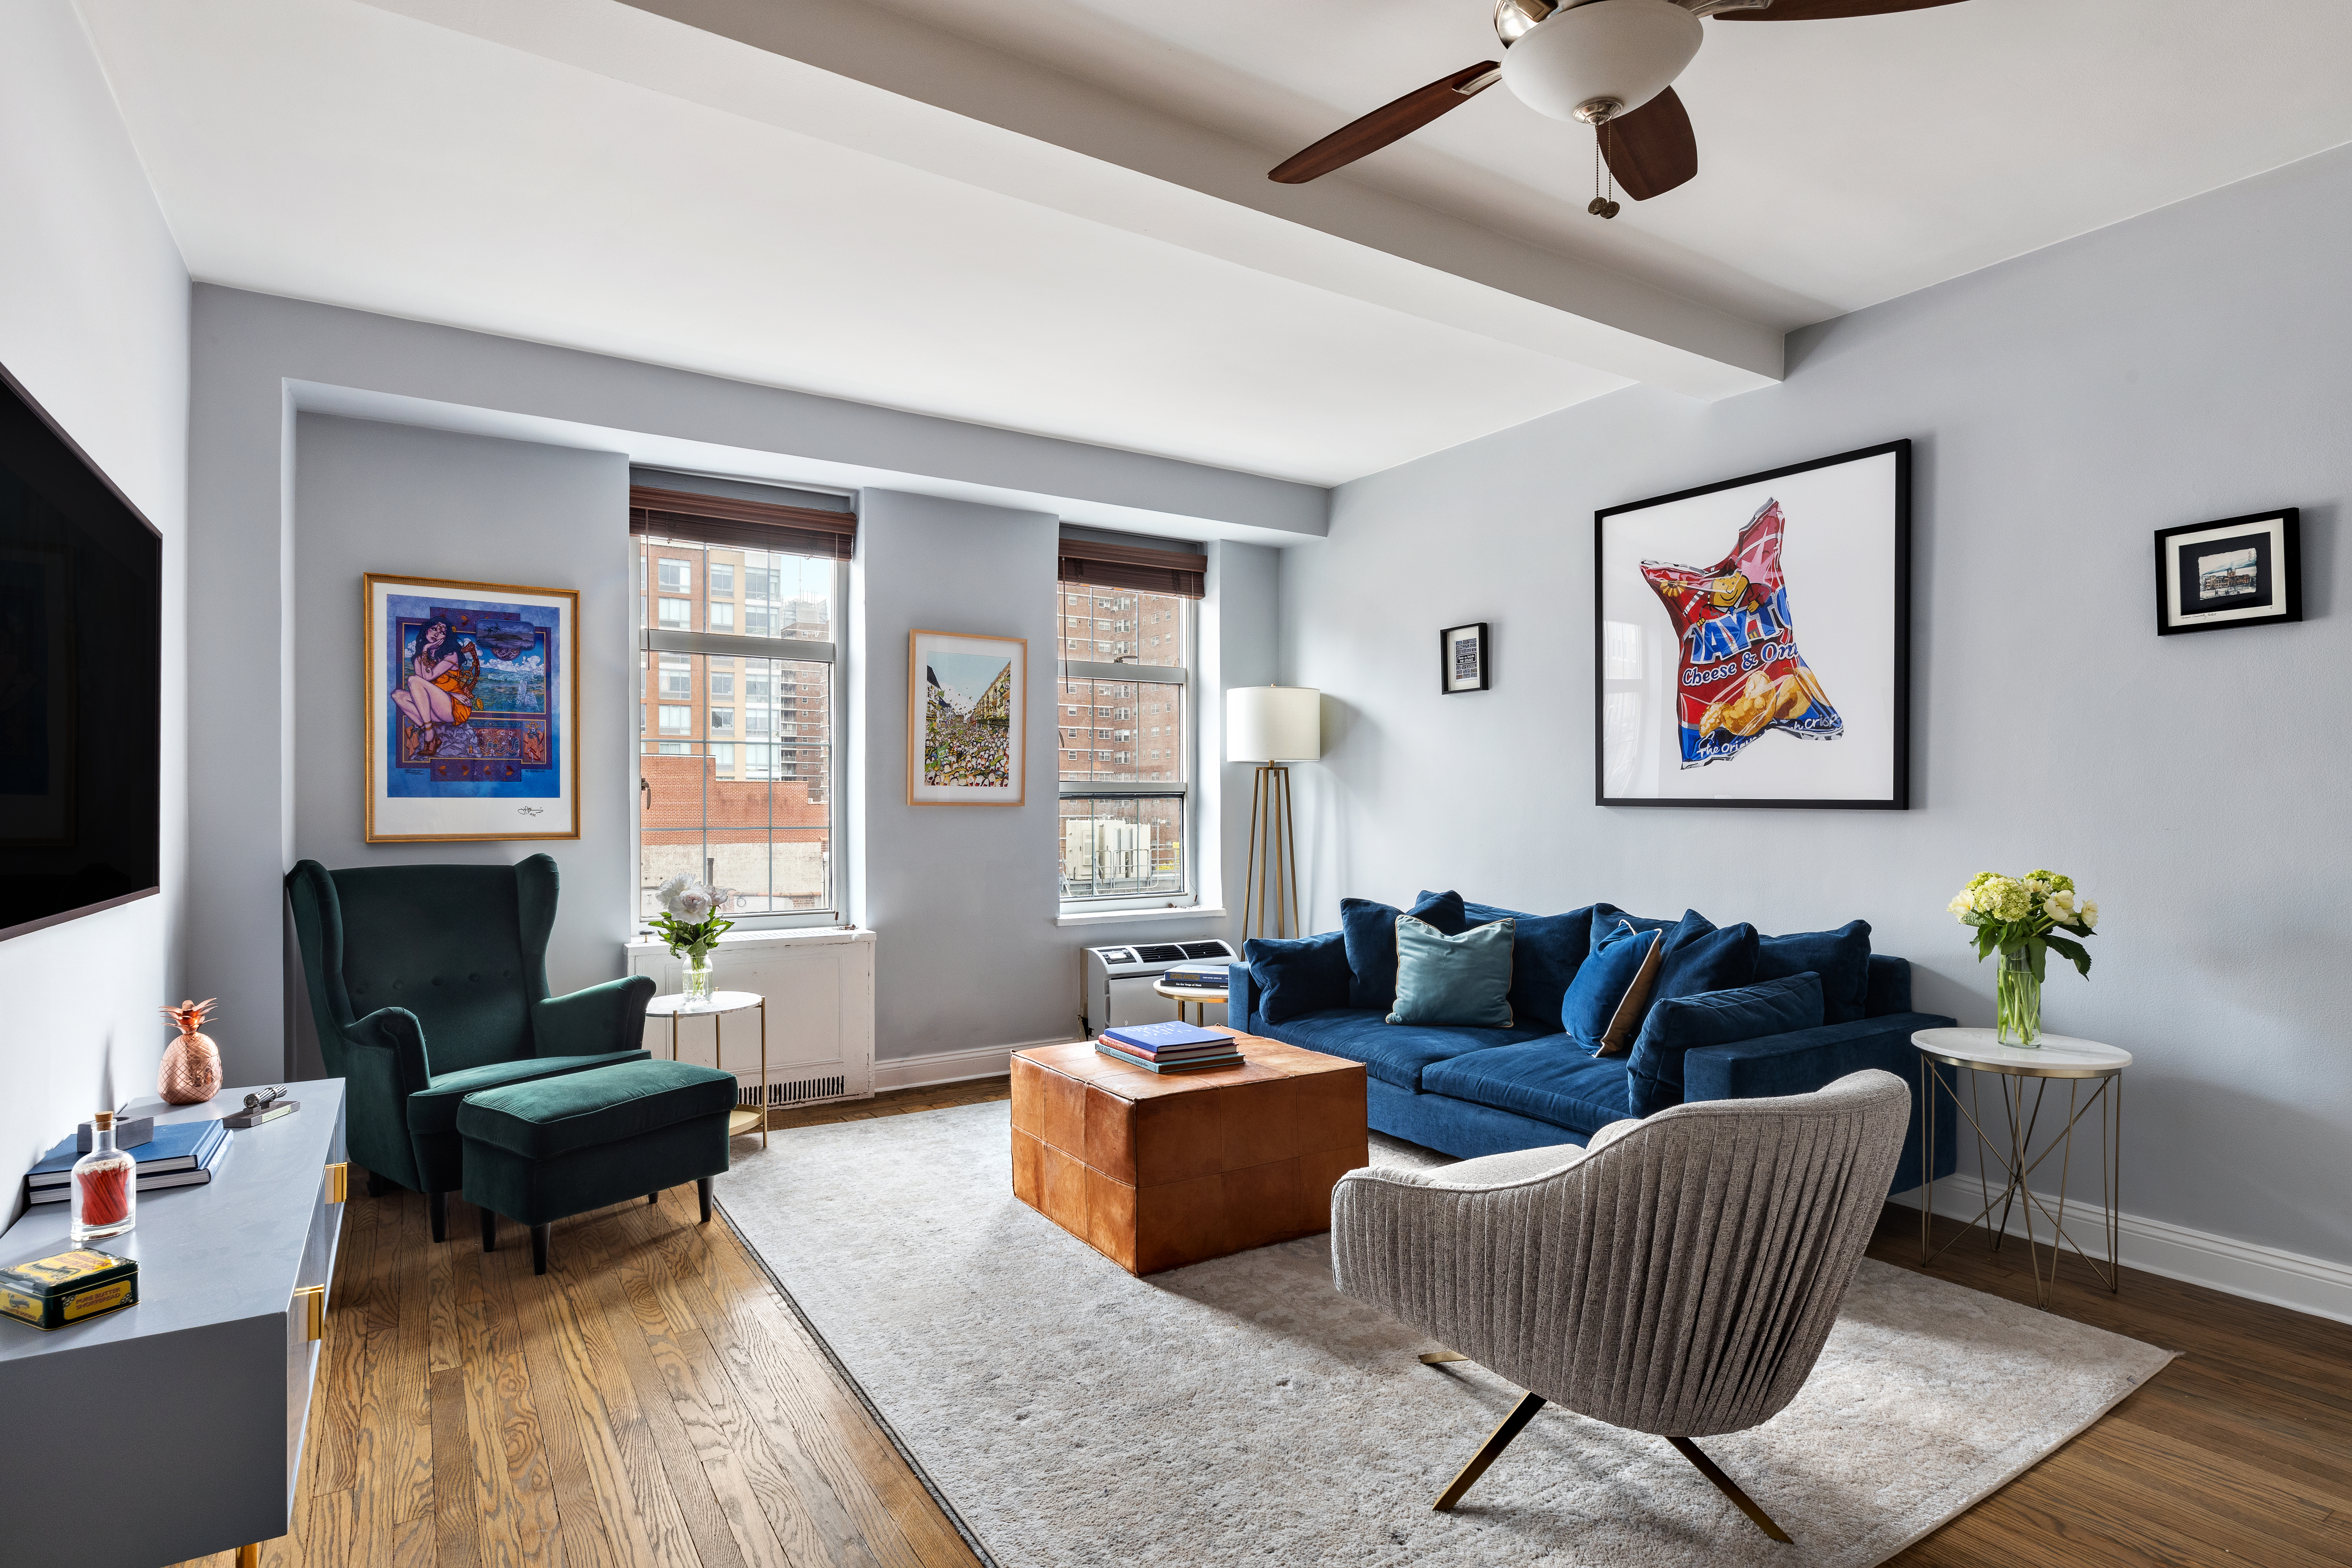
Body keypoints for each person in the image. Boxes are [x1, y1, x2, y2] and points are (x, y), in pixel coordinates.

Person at [390, 618, 480, 739]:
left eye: (442, 632)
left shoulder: (451, 655)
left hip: (455, 707)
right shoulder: (419, 659)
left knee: (413, 680)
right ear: (426, 630)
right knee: (397, 695)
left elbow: (428, 677)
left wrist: (426, 649)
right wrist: (425, 650)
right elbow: (420, 685)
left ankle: (429, 734)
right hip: (433, 707)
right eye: (433, 629)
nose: (436, 635)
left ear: (446, 637)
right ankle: (430, 732)